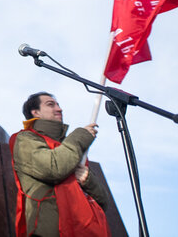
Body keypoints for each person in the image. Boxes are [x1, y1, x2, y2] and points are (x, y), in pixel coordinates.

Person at [9, 92, 110, 237]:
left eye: (58, 104)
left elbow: (103, 203)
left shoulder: (70, 147)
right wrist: (80, 135)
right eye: (50, 105)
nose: (59, 109)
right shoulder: (25, 139)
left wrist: (88, 180)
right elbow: (53, 168)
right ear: (35, 112)